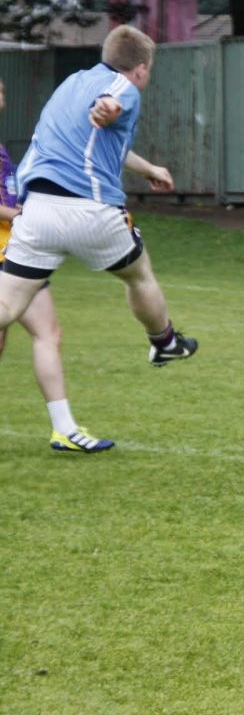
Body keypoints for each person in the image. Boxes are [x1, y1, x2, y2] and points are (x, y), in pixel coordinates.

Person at [0, 25, 198, 413]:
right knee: (138, 274)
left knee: (7, 307)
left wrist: (150, 169)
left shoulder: (70, 84)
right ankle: (165, 342)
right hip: (91, 210)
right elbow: (111, 104)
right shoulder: (122, 86)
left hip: (37, 212)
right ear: (140, 68)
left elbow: (104, 141)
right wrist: (106, 109)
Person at [0, 76, 114, 452]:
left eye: (3, 89)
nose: (2, 96)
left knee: (48, 334)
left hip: (17, 251)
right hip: (9, 249)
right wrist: (19, 215)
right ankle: (63, 428)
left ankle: (64, 428)